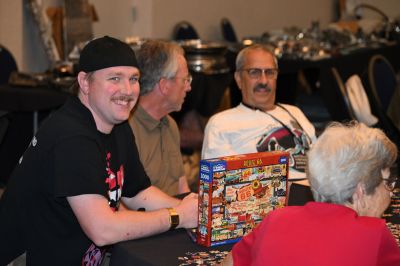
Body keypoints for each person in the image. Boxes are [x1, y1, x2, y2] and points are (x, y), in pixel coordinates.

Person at [0, 36, 198, 265]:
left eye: (133, 79)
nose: (127, 90)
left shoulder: (117, 125)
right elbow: (103, 230)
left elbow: (138, 193)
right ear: (84, 82)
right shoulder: (71, 136)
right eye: (115, 78)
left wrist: (190, 208)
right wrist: (177, 216)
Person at [222, 122, 400, 266]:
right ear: (360, 192)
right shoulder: (375, 234)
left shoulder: (276, 218)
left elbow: (228, 263)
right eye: (386, 183)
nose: (390, 194)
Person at [201, 44, 316, 183]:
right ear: (238, 79)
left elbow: (321, 162)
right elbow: (221, 182)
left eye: (269, 72)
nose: (263, 81)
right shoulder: (221, 123)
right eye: (254, 72)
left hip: (314, 194)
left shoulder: (294, 112)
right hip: (268, 199)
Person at [129, 40, 192, 195]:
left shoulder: (170, 124)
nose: (189, 87)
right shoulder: (127, 129)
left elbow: (182, 187)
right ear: (165, 86)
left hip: (176, 215)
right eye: (185, 80)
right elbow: (126, 201)